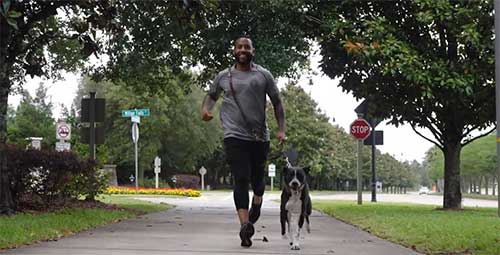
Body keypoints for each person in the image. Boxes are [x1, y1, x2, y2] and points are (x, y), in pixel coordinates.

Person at [201, 35, 285, 247]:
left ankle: (257, 200)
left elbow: (277, 102)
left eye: (247, 47)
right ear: (234, 51)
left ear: (252, 51)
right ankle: (245, 226)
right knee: (240, 177)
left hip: (258, 137)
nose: (243, 50)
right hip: (233, 135)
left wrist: (281, 130)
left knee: (258, 180)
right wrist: (205, 110)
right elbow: (212, 96)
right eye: (239, 46)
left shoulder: (263, 75)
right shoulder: (223, 76)